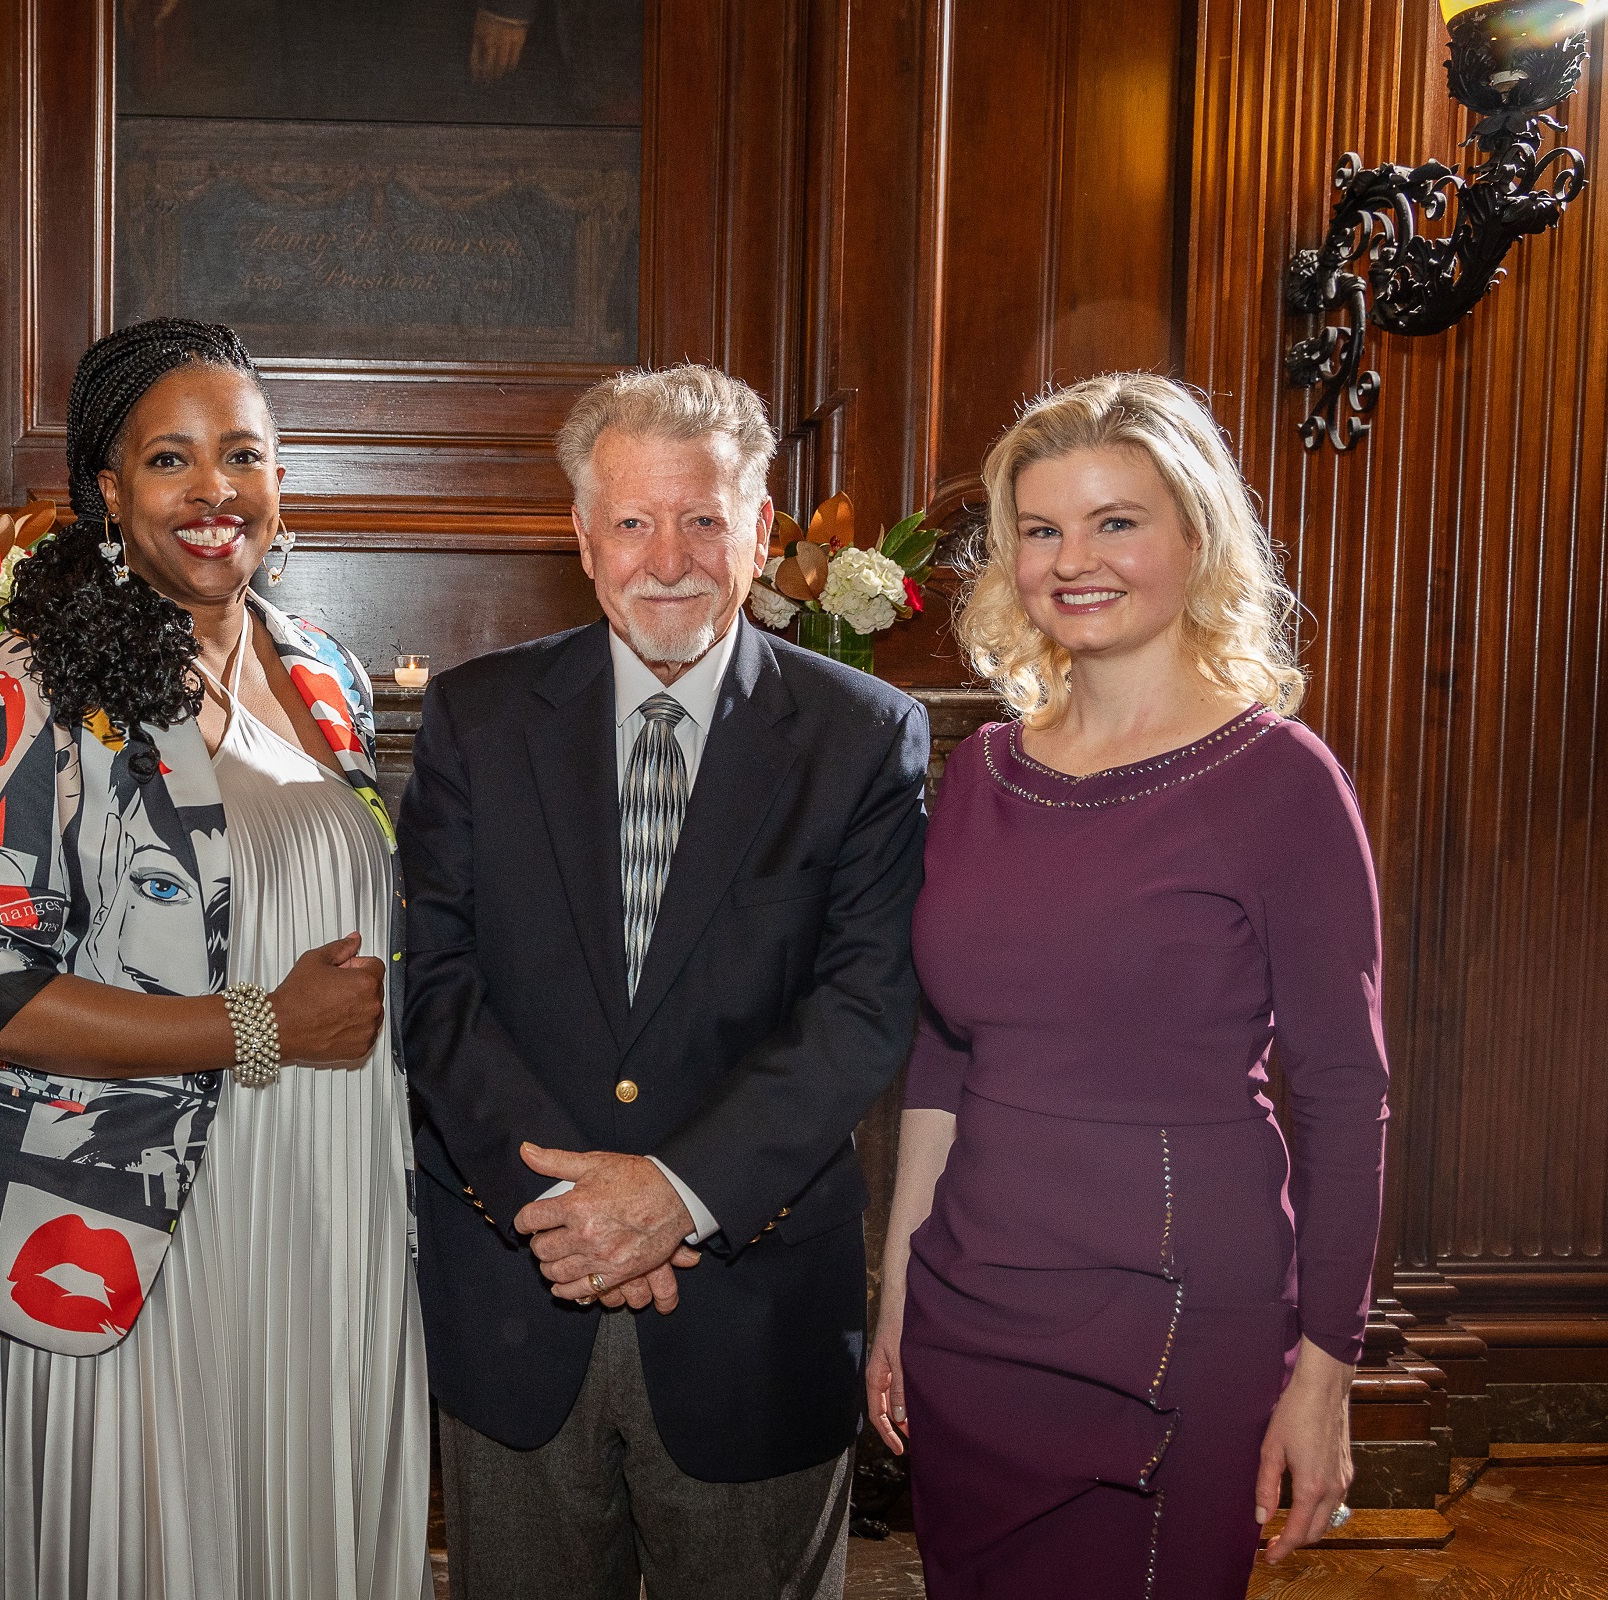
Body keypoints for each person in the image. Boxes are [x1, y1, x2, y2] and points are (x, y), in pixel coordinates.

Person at [0, 317, 431, 1600]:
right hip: (119, 1216)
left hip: (323, 1201)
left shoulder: (325, 678)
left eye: (244, 455)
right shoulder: (29, 686)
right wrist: (263, 1025)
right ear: (107, 489)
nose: (217, 491)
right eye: (172, 459)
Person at [400, 364, 930, 1599]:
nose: (670, 557)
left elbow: (861, 1008)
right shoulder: (478, 719)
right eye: (634, 522)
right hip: (521, 1301)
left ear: (761, 530)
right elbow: (437, 988)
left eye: (705, 519)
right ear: (584, 540)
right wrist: (580, 1216)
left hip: (750, 1315)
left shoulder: (862, 737)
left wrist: (677, 1195)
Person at [866, 372, 1389, 1597]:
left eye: (1117, 522)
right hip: (970, 1311)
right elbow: (944, 1056)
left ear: (1195, 535)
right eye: (1042, 529)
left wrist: (1327, 1372)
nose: (1074, 561)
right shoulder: (985, 770)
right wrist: (897, 1293)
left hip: (1177, 1315)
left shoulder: (1283, 780)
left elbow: (1346, 1088)